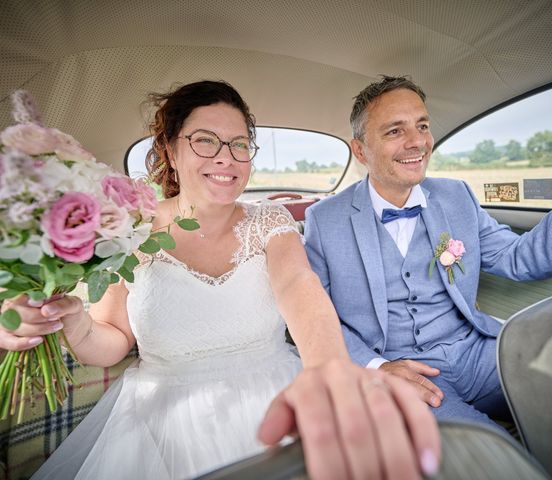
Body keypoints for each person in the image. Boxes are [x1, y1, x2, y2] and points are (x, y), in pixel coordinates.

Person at [0, 80, 440, 480]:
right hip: (161, 417)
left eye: (238, 144)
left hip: (277, 389)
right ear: (171, 150)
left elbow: (298, 287)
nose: (225, 158)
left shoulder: (270, 221)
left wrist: (328, 370)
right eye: (205, 142)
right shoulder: (129, 230)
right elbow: (112, 340)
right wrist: (73, 320)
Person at [304, 75, 552, 429]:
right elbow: (316, 318)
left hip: (480, 354)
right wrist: (377, 368)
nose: (417, 142)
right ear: (360, 151)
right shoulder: (324, 220)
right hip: (404, 373)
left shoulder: (456, 196)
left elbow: (521, 258)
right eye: (394, 132)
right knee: (488, 453)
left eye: (422, 126)